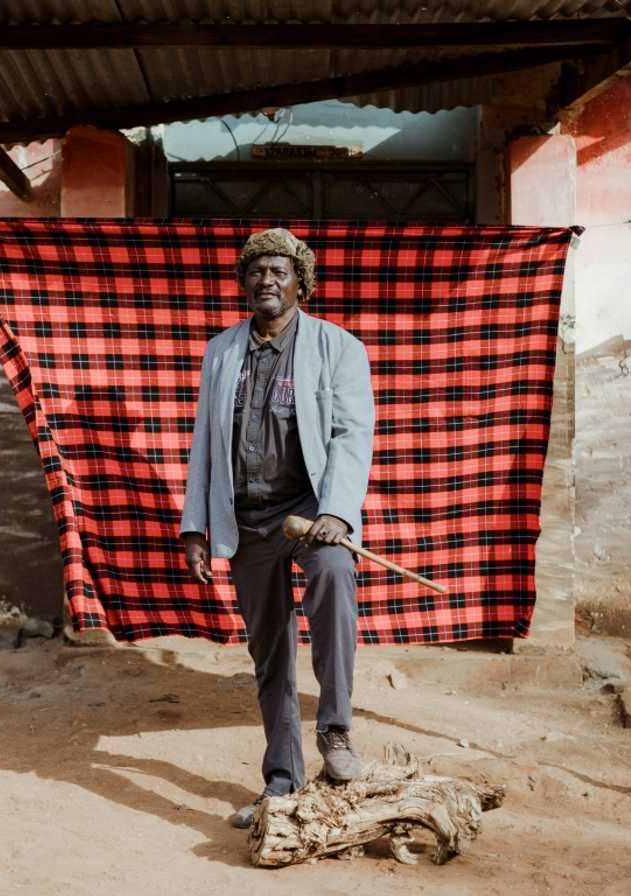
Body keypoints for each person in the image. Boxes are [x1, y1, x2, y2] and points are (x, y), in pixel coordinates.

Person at [179, 228, 375, 828]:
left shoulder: (338, 348)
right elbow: (206, 444)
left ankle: (336, 731)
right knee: (270, 651)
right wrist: (196, 527)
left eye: (280, 271)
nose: (268, 280)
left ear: (301, 283)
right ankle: (283, 781)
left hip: (311, 513)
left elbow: (351, 435)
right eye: (257, 271)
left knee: (336, 577)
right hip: (247, 520)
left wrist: (336, 514)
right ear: (244, 283)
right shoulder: (221, 352)